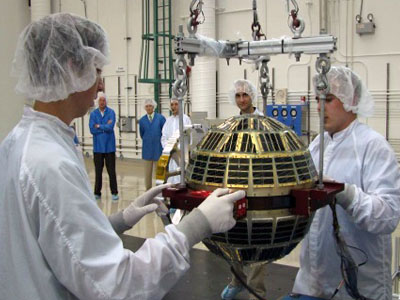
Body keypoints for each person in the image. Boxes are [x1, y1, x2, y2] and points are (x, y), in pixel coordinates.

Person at [0, 13, 246, 300]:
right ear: (71, 68)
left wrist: (118, 221)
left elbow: (55, 237)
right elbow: (118, 286)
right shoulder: (49, 163)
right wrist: (195, 226)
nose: (101, 85)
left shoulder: (20, 142)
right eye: (97, 71)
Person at [288, 66, 400, 300]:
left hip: (359, 289)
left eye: (328, 99)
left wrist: (347, 194)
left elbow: (388, 217)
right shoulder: (317, 145)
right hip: (311, 285)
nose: (319, 107)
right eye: (318, 99)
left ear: (352, 100)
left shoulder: (373, 147)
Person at [221, 79, 267, 300]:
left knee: (258, 236)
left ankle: (256, 289)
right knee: (235, 234)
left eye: (245, 95)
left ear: (252, 97)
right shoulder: (232, 124)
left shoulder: (264, 123)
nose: (241, 100)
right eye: (238, 95)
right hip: (236, 186)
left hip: (258, 187)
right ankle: (237, 280)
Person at [89, 91, 119, 200]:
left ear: (106, 101)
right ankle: (97, 192)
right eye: (100, 100)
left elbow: (110, 127)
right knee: (98, 171)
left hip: (109, 147)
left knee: (111, 171)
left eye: (104, 100)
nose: (102, 102)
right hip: (98, 148)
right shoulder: (93, 114)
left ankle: (114, 192)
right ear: (97, 102)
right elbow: (92, 129)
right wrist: (104, 126)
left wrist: (98, 126)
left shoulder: (111, 112)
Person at [161, 97, 192, 184]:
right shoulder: (168, 121)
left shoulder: (185, 119)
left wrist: (180, 148)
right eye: (172, 105)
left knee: (182, 174)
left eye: (176, 104)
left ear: (180, 105)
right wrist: (169, 148)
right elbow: (164, 137)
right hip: (172, 153)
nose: (173, 107)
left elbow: (189, 137)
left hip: (182, 154)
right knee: (172, 174)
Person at [139, 99, 166, 190]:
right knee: (147, 174)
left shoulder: (160, 118)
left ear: (153, 107)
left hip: (158, 149)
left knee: (159, 173)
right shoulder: (142, 120)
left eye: (150, 106)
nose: (148, 108)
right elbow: (142, 134)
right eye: (146, 106)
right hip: (147, 151)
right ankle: (148, 191)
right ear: (145, 108)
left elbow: (164, 132)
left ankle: (159, 190)